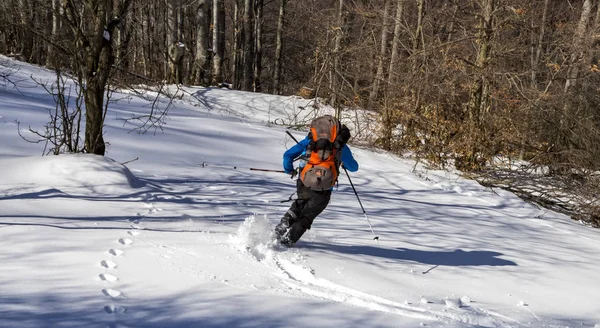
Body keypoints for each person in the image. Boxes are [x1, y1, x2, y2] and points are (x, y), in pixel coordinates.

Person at [275, 116, 359, 246]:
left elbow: (287, 156)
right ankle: (286, 243)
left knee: (300, 204)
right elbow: (354, 167)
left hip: (304, 181)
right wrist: (342, 162)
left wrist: (289, 170)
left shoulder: (309, 141)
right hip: (324, 189)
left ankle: (280, 230)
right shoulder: (340, 147)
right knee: (307, 216)